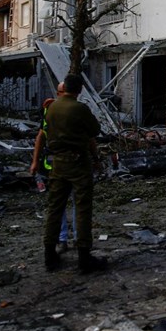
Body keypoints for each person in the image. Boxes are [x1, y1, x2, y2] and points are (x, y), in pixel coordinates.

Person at [43, 74, 105, 273]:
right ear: (79, 90)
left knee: (55, 208)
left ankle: (49, 255)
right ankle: (84, 257)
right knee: (82, 208)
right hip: (78, 162)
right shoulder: (79, 108)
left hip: (57, 163)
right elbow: (95, 130)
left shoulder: (51, 108)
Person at [30, 81, 77, 253]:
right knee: (60, 204)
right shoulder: (49, 111)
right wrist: (35, 161)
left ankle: (76, 239)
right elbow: (41, 136)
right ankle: (63, 239)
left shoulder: (75, 111)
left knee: (75, 202)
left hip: (72, 164)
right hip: (55, 165)